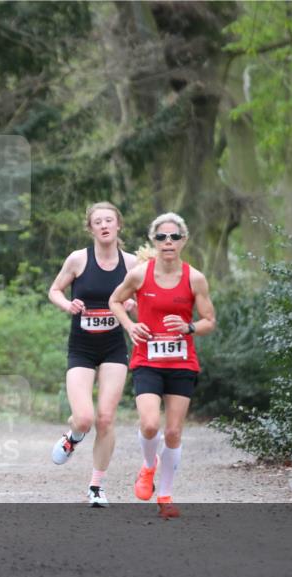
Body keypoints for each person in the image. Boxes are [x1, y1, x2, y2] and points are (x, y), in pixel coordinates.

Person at [109, 212, 216, 519]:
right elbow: (115, 301)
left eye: (173, 237)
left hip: (181, 363)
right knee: (150, 425)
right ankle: (148, 466)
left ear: (183, 241)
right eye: (161, 237)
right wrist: (130, 326)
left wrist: (189, 327)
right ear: (153, 241)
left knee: (172, 432)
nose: (168, 242)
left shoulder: (195, 278)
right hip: (147, 360)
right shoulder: (140, 275)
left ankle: (166, 496)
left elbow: (209, 320)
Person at [48, 202, 138, 506]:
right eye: (98, 222)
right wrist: (68, 305)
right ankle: (73, 436)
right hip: (82, 348)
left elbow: (145, 302)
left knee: (106, 418)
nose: (104, 225)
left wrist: (132, 306)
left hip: (114, 347)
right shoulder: (78, 259)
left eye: (109, 220)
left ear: (118, 225)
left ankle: (96, 486)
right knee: (84, 418)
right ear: (91, 228)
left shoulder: (132, 263)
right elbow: (54, 290)